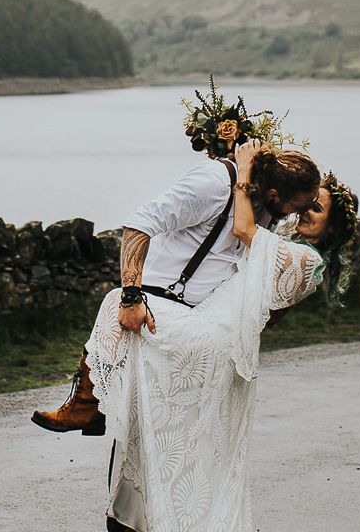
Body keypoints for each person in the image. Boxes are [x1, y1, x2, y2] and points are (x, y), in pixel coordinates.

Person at [87, 139, 359, 531]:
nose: (302, 212)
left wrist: (244, 172)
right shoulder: (282, 243)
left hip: (207, 343)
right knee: (174, 440)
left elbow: (242, 226)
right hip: (214, 343)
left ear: (330, 230)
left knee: (121, 304)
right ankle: (135, 504)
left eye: (314, 209)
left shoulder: (304, 261)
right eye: (306, 203)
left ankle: (88, 405)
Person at [31, 145, 322, 434]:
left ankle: (89, 409)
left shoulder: (264, 204)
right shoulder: (215, 183)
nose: (298, 215)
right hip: (163, 302)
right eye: (297, 207)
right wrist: (131, 297)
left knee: (170, 430)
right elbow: (139, 224)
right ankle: (87, 406)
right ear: (274, 194)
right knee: (114, 303)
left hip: (205, 323)